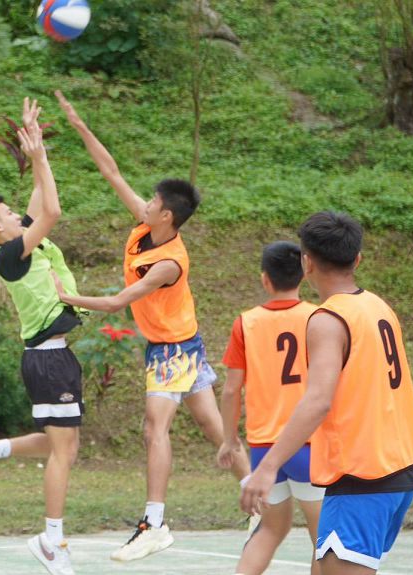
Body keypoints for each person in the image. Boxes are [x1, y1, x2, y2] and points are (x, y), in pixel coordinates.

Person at [52, 90, 250, 563]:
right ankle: (261, 497)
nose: (146, 203)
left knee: (153, 428)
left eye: (155, 201)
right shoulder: (147, 226)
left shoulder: (168, 262)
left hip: (172, 350)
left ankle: (155, 523)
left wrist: (67, 296)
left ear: (168, 216)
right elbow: (111, 171)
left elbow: (118, 302)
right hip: (182, 342)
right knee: (215, 428)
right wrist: (79, 126)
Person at [240, 211, 413, 575]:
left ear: (307, 263)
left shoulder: (328, 319)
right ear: (357, 259)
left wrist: (268, 466)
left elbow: (318, 401)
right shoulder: (378, 307)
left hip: (362, 476)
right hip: (398, 470)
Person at [0, 98, 82, 575]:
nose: (18, 215)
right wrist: (38, 158)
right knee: (64, 452)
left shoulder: (21, 240)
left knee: (60, 445)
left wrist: (36, 145)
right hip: (48, 359)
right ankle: (51, 540)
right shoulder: (11, 254)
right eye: (10, 214)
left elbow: (39, 196)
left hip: (53, 357)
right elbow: (52, 210)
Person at [217, 241, 323, 575]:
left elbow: (231, 389)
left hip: (264, 449)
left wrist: (229, 439)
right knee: (323, 539)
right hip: (308, 443)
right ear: (304, 274)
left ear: (265, 279)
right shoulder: (318, 318)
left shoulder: (246, 323)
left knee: (271, 529)